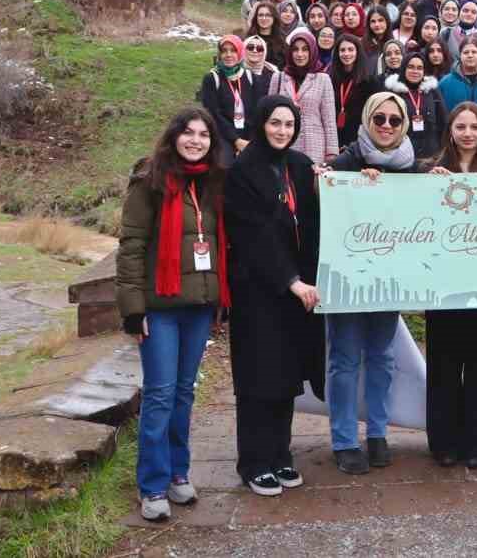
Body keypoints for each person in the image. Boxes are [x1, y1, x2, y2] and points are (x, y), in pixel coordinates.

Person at [116, 108, 231, 521]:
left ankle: (179, 473)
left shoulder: (214, 181)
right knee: (160, 393)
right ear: (173, 137)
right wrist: (133, 308)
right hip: (160, 306)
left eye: (203, 134)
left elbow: (219, 244)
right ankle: (152, 484)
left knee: (184, 393)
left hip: (198, 305)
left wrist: (220, 300)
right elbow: (131, 246)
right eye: (188, 133)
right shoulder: (150, 179)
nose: (195, 140)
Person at [223, 95, 323, 496]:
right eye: (275, 123)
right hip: (259, 290)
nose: (282, 131)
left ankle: (280, 455)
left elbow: (312, 219)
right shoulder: (243, 171)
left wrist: (333, 184)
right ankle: (253, 461)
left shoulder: (298, 165)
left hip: (295, 292)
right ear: (261, 123)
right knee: (257, 378)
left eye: (288, 124)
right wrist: (291, 281)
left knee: (285, 377)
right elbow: (254, 235)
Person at [326, 91, 418, 474]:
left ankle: (378, 432)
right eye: (378, 119)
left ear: (404, 125)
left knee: (382, 357)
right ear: (366, 120)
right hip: (348, 277)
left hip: (387, 277)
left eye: (394, 120)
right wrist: (349, 183)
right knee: (345, 358)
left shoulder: (412, 166)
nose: (385, 126)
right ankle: (344, 438)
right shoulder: (347, 160)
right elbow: (327, 199)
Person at [422, 103, 477, 467]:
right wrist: (425, 189)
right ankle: (443, 442)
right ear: (450, 130)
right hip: (443, 283)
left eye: (475, 126)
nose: (468, 133)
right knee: (443, 364)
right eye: (461, 126)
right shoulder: (430, 169)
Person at [269, 29, 339, 164]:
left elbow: (329, 121)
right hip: (283, 143)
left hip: (314, 147)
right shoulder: (278, 78)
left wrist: (331, 154)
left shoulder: (323, 79)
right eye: (295, 49)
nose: (299, 54)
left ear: (312, 51)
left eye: (305, 49)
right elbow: (269, 115)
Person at [200, 36, 254, 160]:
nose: (228, 55)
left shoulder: (250, 77)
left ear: (240, 52)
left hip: (247, 135)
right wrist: (236, 140)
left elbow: (254, 111)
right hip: (223, 135)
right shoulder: (212, 78)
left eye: (233, 50)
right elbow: (213, 113)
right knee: (225, 165)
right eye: (224, 51)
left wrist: (247, 140)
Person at [387, 50, 447, 160]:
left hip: (430, 154)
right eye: (410, 67)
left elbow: (443, 121)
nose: (415, 71)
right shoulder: (393, 92)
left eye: (419, 68)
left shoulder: (432, 91)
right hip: (400, 154)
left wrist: (441, 151)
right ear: (404, 68)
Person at [437, 34, 477, 111]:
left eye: (474, 52)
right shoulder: (445, 83)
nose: (470, 55)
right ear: (460, 55)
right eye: (466, 52)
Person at [329, 34, 371, 141]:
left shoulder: (369, 81)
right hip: (334, 137)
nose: (346, 54)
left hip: (359, 138)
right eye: (342, 50)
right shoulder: (330, 79)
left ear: (358, 52)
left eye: (350, 49)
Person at [247, 2, 286, 67]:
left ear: (274, 18)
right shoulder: (249, 40)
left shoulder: (282, 41)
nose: (264, 18)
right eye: (260, 15)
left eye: (268, 15)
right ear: (256, 18)